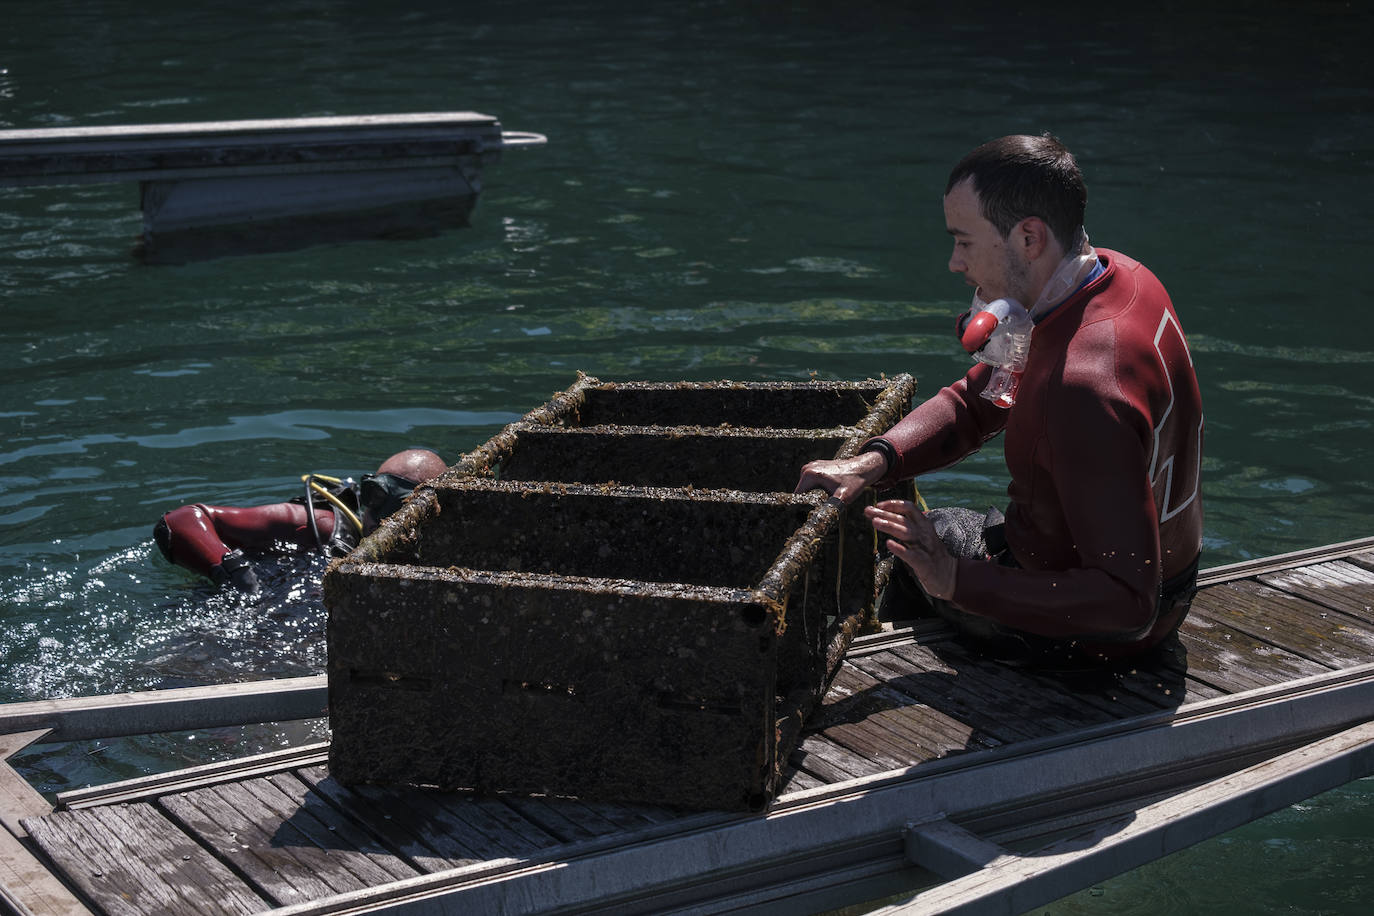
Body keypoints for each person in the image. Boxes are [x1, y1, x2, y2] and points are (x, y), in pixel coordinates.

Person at [797, 134, 1203, 664]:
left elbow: (1126, 605)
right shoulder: (1119, 277)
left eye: (964, 241)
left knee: (902, 556)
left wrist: (952, 579)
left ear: (1029, 237)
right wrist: (874, 462)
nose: (953, 262)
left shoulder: (1083, 385)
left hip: (1097, 635)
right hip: (1170, 584)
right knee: (931, 531)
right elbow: (982, 400)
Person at [154, 448, 447, 593]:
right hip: (256, 609)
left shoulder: (446, 558)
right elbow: (181, 520)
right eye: (373, 495)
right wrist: (233, 572)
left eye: (395, 503)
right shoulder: (320, 526)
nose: (376, 514)